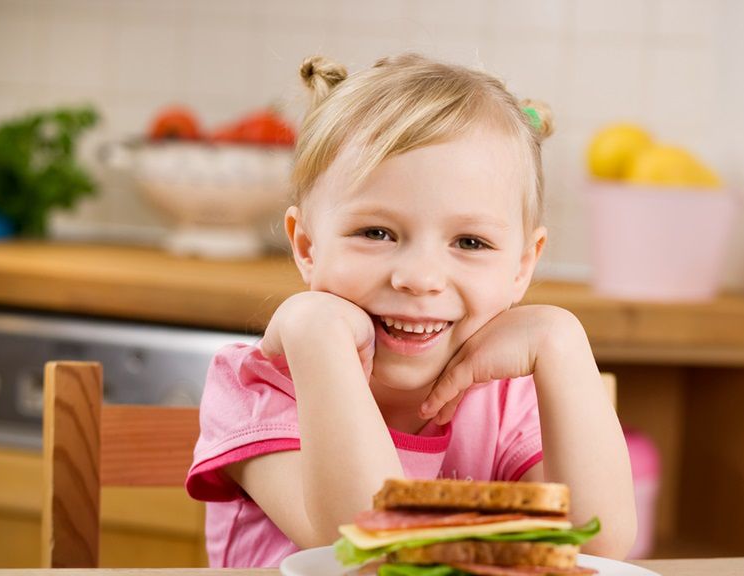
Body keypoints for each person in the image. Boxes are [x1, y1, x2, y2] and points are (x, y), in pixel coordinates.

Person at [186, 53, 636, 568]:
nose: (419, 278)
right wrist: (315, 331)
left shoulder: (507, 397)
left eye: (470, 241)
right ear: (308, 247)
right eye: (376, 233)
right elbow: (367, 547)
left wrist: (562, 340)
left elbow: (596, 546)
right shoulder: (262, 389)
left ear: (522, 266)